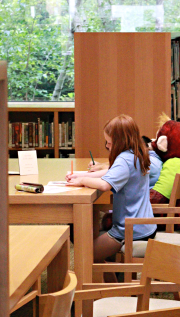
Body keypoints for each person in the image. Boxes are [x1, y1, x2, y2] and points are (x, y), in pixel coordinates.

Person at [66, 114, 157, 266]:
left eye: (109, 142)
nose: (107, 146)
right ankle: (109, 280)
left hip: (129, 231)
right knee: (88, 248)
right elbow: (110, 173)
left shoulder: (124, 159)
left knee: (84, 254)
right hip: (145, 226)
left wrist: (81, 181)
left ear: (120, 141)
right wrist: (78, 175)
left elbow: (104, 185)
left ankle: (99, 284)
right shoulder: (136, 154)